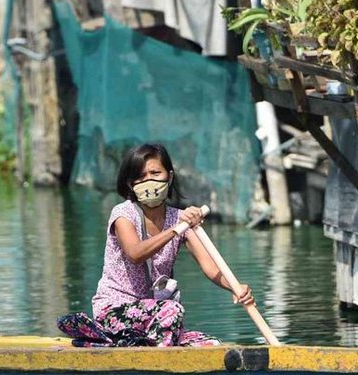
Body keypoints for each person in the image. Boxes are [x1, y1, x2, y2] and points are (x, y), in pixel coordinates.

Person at [57, 143, 255, 347]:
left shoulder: (178, 218)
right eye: (141, 177)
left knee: (209, 344)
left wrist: (235, 287)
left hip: (155, 314)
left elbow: (210, 266)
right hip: (115, 310)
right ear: (130, 183)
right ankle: (148, 361)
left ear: (169, 177)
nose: (149, 181)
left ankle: (144, 346)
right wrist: (177, 229)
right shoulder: (123, 214)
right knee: (172, 310)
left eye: (155, 173)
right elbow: (135, 253)